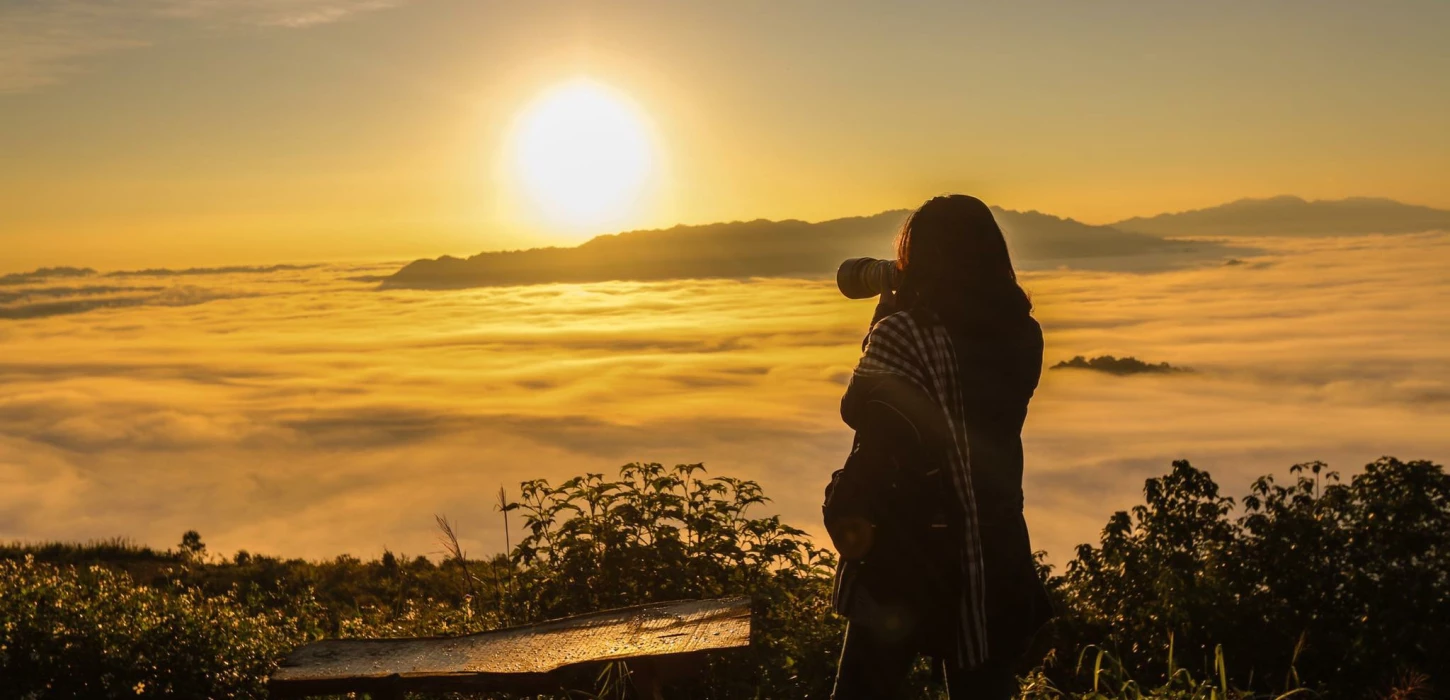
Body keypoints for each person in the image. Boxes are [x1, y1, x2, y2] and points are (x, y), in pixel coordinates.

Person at [825, 194, 1052, 699]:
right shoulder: (1023, 332)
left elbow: (858, 411)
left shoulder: (906, 333)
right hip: (993, 548)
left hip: (908, 554)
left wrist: (885, 317)